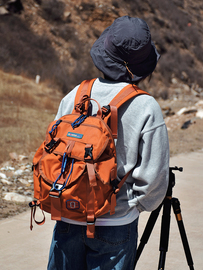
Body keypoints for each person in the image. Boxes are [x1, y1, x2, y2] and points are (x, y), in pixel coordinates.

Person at [47, 15, 169, 270]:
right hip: (115, 223)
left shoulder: (75, 95)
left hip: (68, 214)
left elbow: (53, 152)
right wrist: (132, 206)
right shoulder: (146, 106)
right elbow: (155, 177)